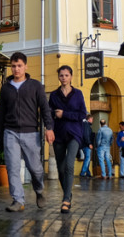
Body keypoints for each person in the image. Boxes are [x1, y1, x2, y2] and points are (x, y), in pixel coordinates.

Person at [0, 52, 54, 212]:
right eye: (13, 66)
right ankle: (18, 200)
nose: (16, 69)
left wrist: (49, 128)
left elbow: (45, 109)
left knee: (35, 168)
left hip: (31, 132)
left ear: (26, 66)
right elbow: (1, 114)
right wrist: (0, 138)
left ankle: (39, 190)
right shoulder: (5, 89)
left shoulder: (35, 86)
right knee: (12, 167)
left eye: (19, 66)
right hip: (10, 132)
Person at [49, 64, 88, 214]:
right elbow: (49, 114)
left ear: (71, 77)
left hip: (74, 134)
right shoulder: (53, 95)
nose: (64, 78)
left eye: (66, 75)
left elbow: (82, 115)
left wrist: (64, 114)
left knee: (69, 164)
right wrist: (50, 127)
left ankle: (66, 199)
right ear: (58, 77)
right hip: (58, 134)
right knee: (60, 168)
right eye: (61, 75)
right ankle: (67, 192)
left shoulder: (78, 94)